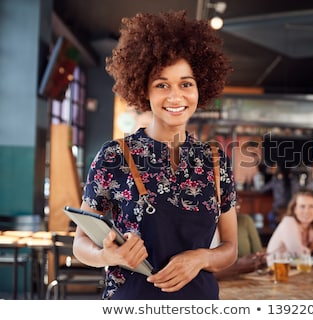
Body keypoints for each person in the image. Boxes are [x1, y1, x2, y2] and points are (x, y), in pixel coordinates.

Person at [72, 11, 237, 300]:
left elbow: (230, 249)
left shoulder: (214, 160)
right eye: (162, 84)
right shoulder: (114, 156)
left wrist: (200, 258)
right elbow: (80, 243)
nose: (175, 97)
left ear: (201, 89)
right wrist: (108, 256)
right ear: (143, 89)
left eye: (186, 84)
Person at [266, 189, 313, 266]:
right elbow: (297, 252)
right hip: (274, 272)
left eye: (311, 206)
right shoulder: (288, 222)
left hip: (297, 272)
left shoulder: (312, 226)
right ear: (295, 209)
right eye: (302, 206)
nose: (307, 211)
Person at [213, 201, 266, 280]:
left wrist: (258, 260)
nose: (237, 205)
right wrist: (237, 267)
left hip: (244, 281)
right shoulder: (204, 227)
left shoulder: (244, 220)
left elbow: (258, 253)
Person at [259, 162, 300, 228]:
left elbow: (262, 190)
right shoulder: (294, 181)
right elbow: (300, 192)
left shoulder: (276, 181)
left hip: (277, 213)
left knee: (269, 217)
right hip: (292, 213)